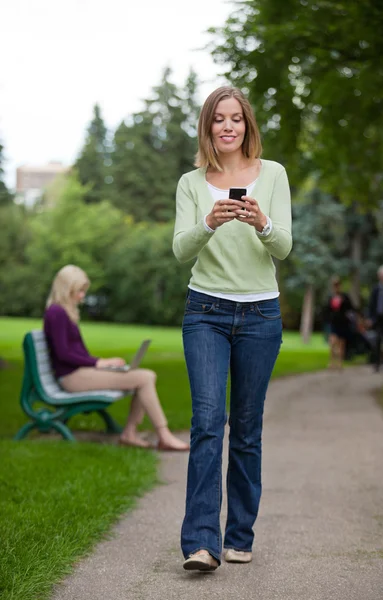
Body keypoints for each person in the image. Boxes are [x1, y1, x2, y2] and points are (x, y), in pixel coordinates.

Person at [173, 86, 292, 571]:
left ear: (247, 126)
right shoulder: (191, 182)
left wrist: (261, 222)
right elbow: (181, 249)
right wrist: (209, 222)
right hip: (205, 311)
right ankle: (202, 542)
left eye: (236, 119)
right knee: (206, 424)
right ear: (208, 126)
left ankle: (239, 535)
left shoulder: (275, 175)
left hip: (261, 314)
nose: (227, 126)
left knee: (246, 429)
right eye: (218, 119)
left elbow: (283, 247)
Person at [43, 264, 189, 451]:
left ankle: (131, 433)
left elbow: (76, 353)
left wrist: (103, 364)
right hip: (72, 378)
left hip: (79, 373)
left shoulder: (63, 312)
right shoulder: (56, 313)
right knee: (145, 377)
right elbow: (63, 353)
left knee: (143, 376)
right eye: (79, 291)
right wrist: (99, 363)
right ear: (65, 289)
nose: (82, 296)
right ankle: (162, 435)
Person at [324, 276, 354, 370]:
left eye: (337, 285)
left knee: (341, 343)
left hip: (343, 323)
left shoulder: (345, 297)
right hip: (333, 322)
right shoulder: (330, 297)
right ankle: (332, 362)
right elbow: (326, 310)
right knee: (332, 342)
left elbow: (350, 309)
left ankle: (340, 362)